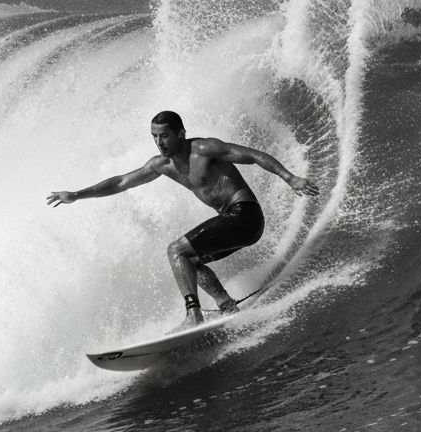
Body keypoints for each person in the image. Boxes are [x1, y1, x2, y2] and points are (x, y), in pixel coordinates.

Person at [46, 110, 318, 328]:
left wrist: (290, 178)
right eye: (154, 137)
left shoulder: (205, 149)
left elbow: (254, 155)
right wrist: (76, 195)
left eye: (164, 136)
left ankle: (193, 315)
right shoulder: (161, 165)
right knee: (189, 263)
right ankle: (225, 304)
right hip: (231, 220)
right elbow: (121, 182)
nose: (159, 142)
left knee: (176, 250)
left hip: (245, 215)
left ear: (181, 133)